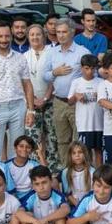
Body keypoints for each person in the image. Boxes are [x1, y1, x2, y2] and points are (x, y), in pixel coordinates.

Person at [0, 22, 36, 160]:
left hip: (18, 107)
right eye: (0, 36)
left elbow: (27, 85)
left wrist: (31, 110)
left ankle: (13, 179)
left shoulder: (20, 58)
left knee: (19, 149)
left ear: (11, 36)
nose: (4, 40)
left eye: (7, 36)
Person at [43, 19, 91, 167]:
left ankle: (80, 171)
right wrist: (55, 72)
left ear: (72, 32)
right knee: (62, 139)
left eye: (64, 32)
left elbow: (90, 76)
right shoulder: (51, 53)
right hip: (58, 102)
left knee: (78, 141)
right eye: (58, 32)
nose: (61, 35)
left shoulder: (82, 52)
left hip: (76, 103)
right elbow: (44, 75)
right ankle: (66, 171)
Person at [23, 24, 58, 168]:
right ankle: (34, 167)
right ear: (28, 37)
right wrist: (32, 101)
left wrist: (45, 98)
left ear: (44, 36)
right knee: (32, 138)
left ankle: (53, 169)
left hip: (50, 101)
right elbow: (23, 82)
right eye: (32, 35)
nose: (35, 37)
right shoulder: (24, 56)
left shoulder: (53, 53)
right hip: (31, 105)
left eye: (38, 34)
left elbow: (54, 77)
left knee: (52, 137)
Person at [69, 54, 105, 166]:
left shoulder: (101, 82)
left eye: (92, 68)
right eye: (87, 68)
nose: (89, 71)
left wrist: (99, 95)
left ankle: (99, 174)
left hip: (99, 123)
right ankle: (87, 173)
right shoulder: (76, 82)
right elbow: (69, 101)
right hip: (83, 124)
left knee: (99, 150)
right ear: (82, 68)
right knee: (85, 151)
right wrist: (76, 96)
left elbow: (105, 100)